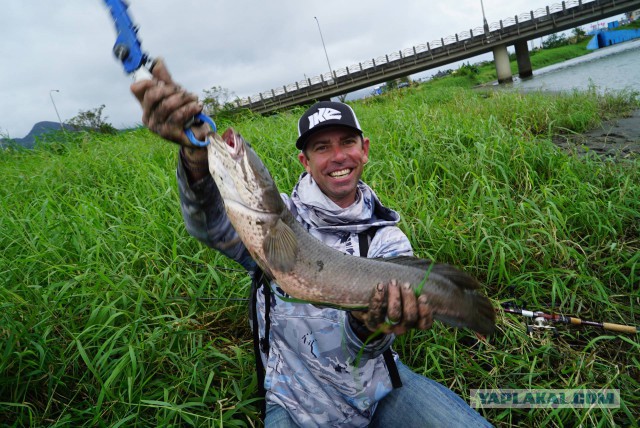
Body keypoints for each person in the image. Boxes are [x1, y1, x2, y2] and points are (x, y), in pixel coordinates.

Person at [131, 59, 491, 427]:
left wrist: (369, 325)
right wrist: (194, 157)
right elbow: (209, 225)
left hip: (378, 388)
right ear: (304, 160)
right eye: (322, 147)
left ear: (364, 149)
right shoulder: (275, 223)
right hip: (295, 400)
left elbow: (366, 350)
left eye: (347, 142)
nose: (338, 156)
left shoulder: (388, 239)